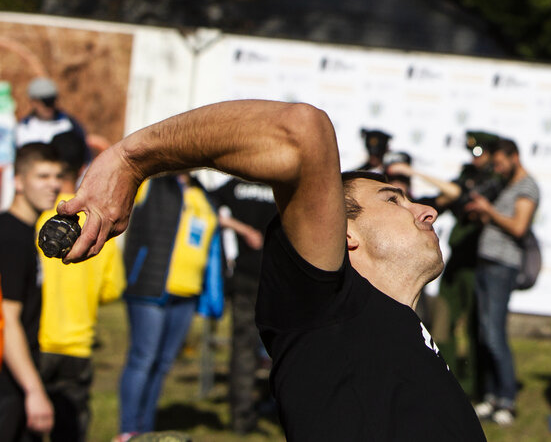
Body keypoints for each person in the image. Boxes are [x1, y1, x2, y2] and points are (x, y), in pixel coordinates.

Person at [55, 100, 486, 441]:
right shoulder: (328, 305)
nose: (427, 211)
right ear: (344, 232)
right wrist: (132, 160)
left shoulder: (407, 330)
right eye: (393, 199)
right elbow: (302, 131)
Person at [386, 131, 503, 399]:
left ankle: (474, 387)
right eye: (472, 153)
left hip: (478, 261)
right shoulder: (466, 174)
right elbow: (450, 198)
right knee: (444, 321)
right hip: (458, 259)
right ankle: (446, 380)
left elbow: (458, 194)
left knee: (475, 326)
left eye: (479, 153)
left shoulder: (495, 181)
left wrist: (413, 172)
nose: (475, 159)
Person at [115, 173, 220, 440]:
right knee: (143, 359)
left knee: (162, 364)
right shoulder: (152, 183)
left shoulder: (203, 194)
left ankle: (146, 429)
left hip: (187, 293)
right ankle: (128, 430)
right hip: (149, 287)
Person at [36, 132, 126, 442]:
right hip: (78, 345)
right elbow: (112, 289)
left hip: (37, 341)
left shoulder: (36, 221)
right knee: (70, 428)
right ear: (82, 169)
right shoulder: (97, 228)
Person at [466, 138, 538, 426]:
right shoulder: (508, 185)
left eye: (499, 163)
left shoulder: (527, 186)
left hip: (502, 266)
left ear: (514, 157)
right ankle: (491, 396)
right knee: (485, 333)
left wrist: (490, 211)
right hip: (486, 263)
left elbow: (519, 227)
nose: (496, 168)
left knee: (495, 333)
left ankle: (507, 399)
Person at [0, 143, 62, 440]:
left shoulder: (27, 234)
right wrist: (34, 390)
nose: (53, 185)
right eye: (42, 176)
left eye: (57, 176)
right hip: (8, 381)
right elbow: (6, 320)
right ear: (18, 182)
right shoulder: (10, 238)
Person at [211, 177, 278, 434]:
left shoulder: (275, 183)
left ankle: (256, 412)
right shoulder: (239, 185)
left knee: (257, 350)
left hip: (274, 280)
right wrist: (244, 230)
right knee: (248, 349)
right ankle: (244, 416)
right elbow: (208, 209)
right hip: (252, 279)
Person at [16, 78, 89, 162]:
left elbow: (86, 156)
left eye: (52, 100)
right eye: (45, 102)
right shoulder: (23, 128)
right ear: (33, 102)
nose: (49, 106)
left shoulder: (69, 124)